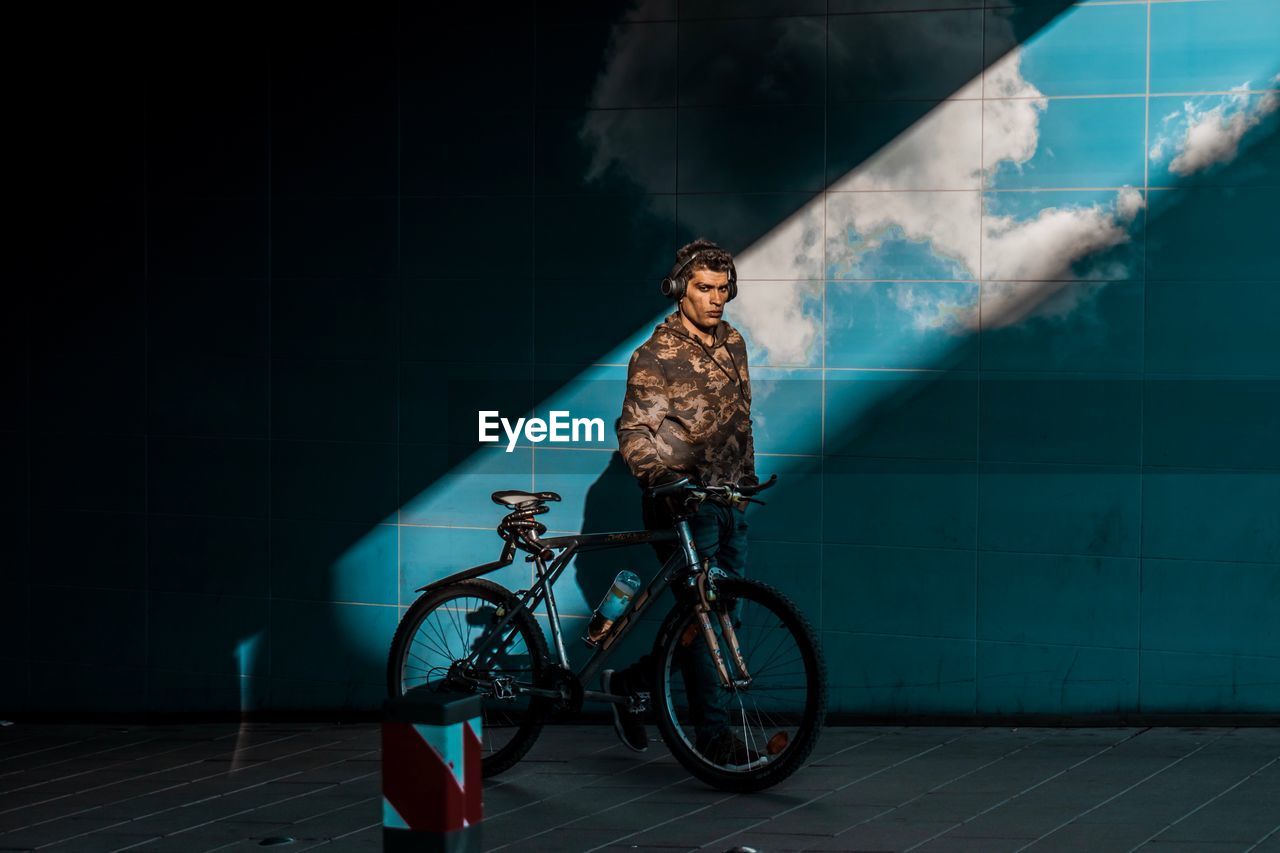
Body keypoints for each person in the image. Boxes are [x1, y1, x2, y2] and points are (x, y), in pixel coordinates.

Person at [604, 237, 760, 766]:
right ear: (679, 290)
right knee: (706, 617)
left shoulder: (734, 343)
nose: (715, 299)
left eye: (723, 289)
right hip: (683, 508)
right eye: (704, 288)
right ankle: (713, 738)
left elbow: (740, 424)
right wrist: (663, 479)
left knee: (718, 622)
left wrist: (745, 480)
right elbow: (634, 432)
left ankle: (631, 683)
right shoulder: (655, 356)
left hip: (729, 504)